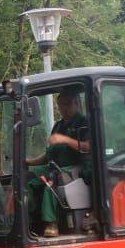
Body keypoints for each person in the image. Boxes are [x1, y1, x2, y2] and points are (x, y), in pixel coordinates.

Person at [25, 89, 90, 237]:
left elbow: (88, 146)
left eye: (67, 104)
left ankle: (52, 223)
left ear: (76, 104)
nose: (63, 108)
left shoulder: (83, 122)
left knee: (52, 179)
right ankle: (30, 220)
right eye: (60, 105)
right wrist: (29, 162)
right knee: (27, 176)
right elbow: (49, 155)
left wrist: (65, 140)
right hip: (55, 166)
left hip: (77, 168)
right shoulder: (58, 126)